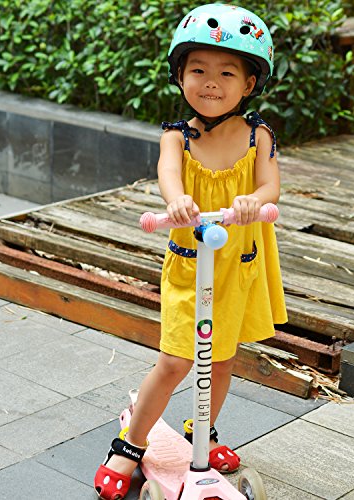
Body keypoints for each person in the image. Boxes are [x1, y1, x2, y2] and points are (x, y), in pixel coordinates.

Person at [94, 4, 288, 499]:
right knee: (177, 360)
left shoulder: (258, 135)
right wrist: (176, 200)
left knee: (221, 359)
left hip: (239, 263)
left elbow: (270, 187)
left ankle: (203, 430)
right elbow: (168, 175)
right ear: (180, 76)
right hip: (189, 264)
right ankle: (130, 444)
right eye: (198, 70)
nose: (211, 83)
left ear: (249, 84)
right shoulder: (176, 137)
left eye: (227, 73)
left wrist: (254, 200)